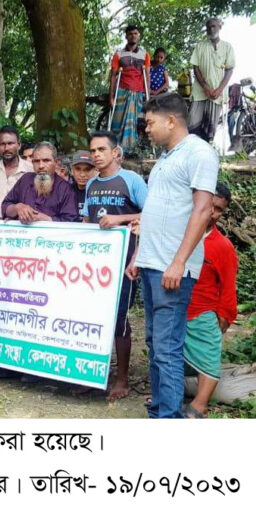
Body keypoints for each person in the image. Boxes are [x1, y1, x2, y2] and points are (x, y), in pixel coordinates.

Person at [125, 93, 219, 418]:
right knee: (154, 342)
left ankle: (169, 420)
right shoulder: (166, 158)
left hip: (171, 268)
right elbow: (154, 211)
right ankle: (160, 409)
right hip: (152, 264)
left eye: (150, 123)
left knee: (167, 347)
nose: (146, 129)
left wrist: (178, 261)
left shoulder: (200, 153)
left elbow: (203, 208)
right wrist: (139, 255)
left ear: (171, 121)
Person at [83, 131, 147, 400]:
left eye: (101, 150)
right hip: (95, 265)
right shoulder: (90, 184)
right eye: (93, 151)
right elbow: (87, 222)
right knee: (93, 316)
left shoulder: (131, 180)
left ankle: (122, 379)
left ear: (115, 152)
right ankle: (91, 374)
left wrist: (120, 219)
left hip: (124, 261)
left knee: (119, 318)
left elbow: (151, 215)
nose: (96, 155)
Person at [183, 182, 238, 417]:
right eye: (210, 205)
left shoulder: (223, 246)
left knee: (208, 355)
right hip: (175, 308)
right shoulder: (177, 232)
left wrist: (224, 317)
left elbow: (227, 288)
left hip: (203, 312)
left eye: (219, 210)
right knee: (164, 354)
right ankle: (168, 395)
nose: (213, 214)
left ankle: (200, 404)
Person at [1, 142, 79, 224]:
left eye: (46, 160)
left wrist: (45, 218)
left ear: (56, 162)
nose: (41, 166)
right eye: (36, 161)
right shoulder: (25, 180)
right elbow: (5, 206)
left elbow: (71, 222)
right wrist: (17, 208)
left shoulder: (65, 189)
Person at [189, 18, 235, 143]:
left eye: (214, 26)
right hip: (200, 92)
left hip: (216, 93)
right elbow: (195, 67)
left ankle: (207, 152)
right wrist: (205, 87)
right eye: (208, 27)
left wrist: (219, 90)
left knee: (210, 126)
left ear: (220, 27)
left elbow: (229, 69)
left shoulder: (227, 47)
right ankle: (193, 151)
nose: (211, 29)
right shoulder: (200, 46)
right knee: (192, 123)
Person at [109, 25, 151, 150]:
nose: (133, 35)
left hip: (137, 92)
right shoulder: (119, 54)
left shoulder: (145, 55)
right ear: (126, 36)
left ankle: (129, 148)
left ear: (139, 36)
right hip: (121, 90)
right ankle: (114, 148)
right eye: (130, 33)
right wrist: (111, 97)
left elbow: (147, 76)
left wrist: (147, 96)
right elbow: (113, 75)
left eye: (135, 33)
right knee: (117, 122)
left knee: (133, 123)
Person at [0, 125, 33, 219]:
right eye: (2, 144)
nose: (6, 148)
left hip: (18, 227)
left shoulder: (30, 170)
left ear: (19, 145)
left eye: (10, 143)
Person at [69, 150, 97, 222]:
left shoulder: (100, 192)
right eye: (78, 169)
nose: (82, 175)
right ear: (72, 170)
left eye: (87, 169)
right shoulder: (66, 191)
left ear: (95, 170)